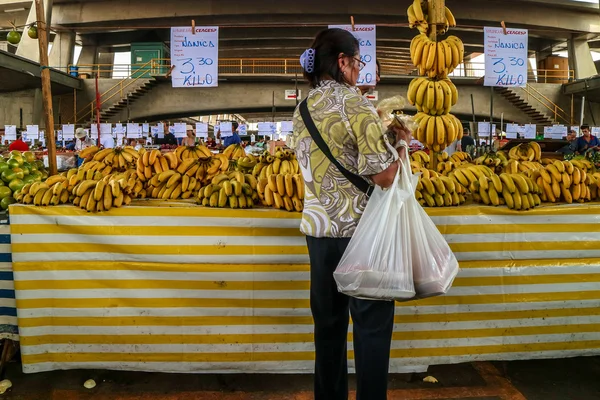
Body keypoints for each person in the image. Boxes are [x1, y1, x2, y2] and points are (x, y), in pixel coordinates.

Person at [291, 28, 405, 400]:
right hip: (362, 233)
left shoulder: (302, 108)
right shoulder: (357, 105)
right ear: (342, 62)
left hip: (320, 234)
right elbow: (385, 176)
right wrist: (401, 146)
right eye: (357, 62)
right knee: (371, 327)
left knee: (328, 327)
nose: (359, 69)